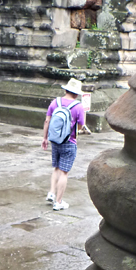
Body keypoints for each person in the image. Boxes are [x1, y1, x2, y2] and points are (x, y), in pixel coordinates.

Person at [42, 77, 91, 212]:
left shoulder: (55, 102)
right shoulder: (78, 106)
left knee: (56, 168)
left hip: (55, 140)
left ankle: (51, 193)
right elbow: (81, 126)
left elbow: (47, 121)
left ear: (66, 89)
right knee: (64, 172)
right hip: (69, 142)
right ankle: (58, 202)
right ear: (76, 93)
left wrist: (45, 138)